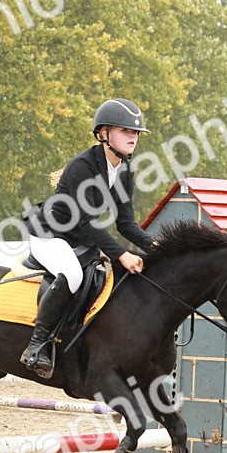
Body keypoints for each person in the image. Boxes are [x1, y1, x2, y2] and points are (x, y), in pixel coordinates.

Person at [20, 97, 155, 378]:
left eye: (135, 133)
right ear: (104, 134)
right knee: (72, 274)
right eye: (125, 131)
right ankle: (36, 345)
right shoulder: (83, 166)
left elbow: (126, 223)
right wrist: (122, 253)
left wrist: (153, 245)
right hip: (50, 235)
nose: (133, 137)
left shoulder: (124, 171)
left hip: (78, 238)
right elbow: (84, 223)